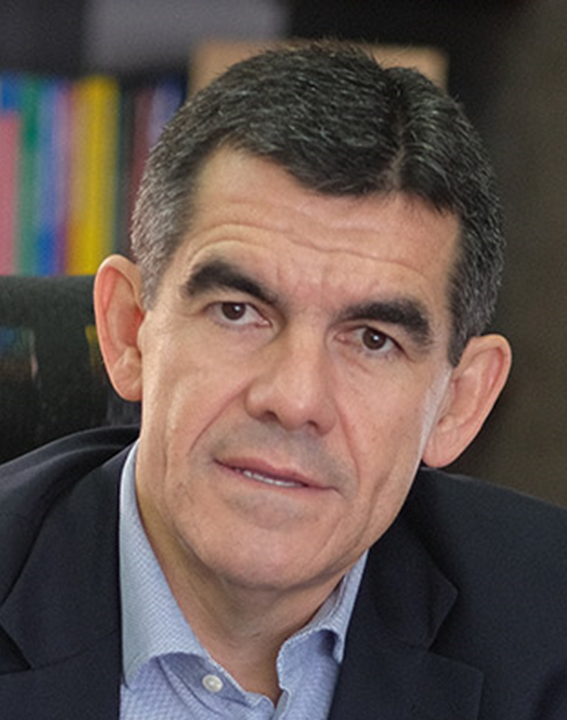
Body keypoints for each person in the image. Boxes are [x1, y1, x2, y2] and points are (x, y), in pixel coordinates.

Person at [1, 41, 566, 720]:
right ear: (129, 330)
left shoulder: (548, 629)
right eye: (237, 311)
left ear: (458, 403)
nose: (294, 400)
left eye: (373, 340)